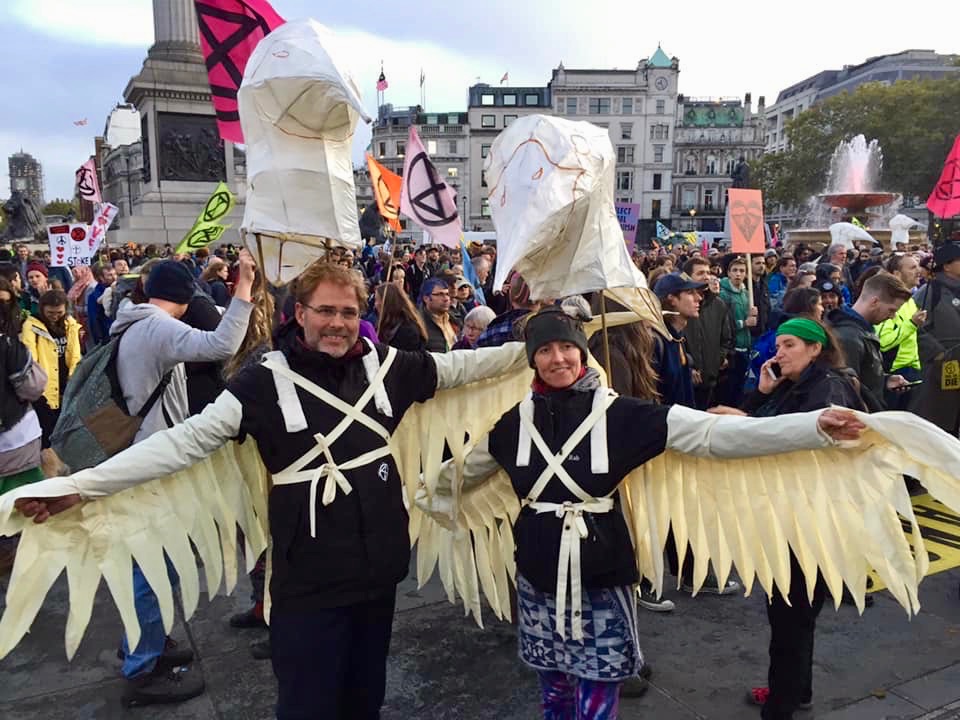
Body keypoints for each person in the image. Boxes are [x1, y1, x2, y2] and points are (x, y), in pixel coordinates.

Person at [14, 260, 528, 718]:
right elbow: (182, 443)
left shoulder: (388, 367)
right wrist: (82, 487)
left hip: (379, 572)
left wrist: (544, 346)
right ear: (299, 313)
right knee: (307, 701)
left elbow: (467, 368)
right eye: (325, 310)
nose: (338, 323)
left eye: (348, 312)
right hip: (308, 579)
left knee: (365, 696)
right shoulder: (263, 380)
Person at [441, 306, 866, 720]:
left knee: (596, 700)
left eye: (566, 348)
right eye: (545, 350)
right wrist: (408, 494)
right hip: (537, 577)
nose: (558, 359)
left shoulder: (621, 415)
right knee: (554, 693)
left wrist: (810, 427)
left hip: (602, 577)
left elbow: (712, 435)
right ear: (532, 359)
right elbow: (460, 474)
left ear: (582, 352)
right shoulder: (513, 424)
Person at [736, 317, 864, 719]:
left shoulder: (828, 388)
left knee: (790, 615)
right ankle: (795, 691)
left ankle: (781, 705)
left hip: (812, 519)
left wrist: (748, 422)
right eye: (778, 345)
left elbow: (800, 447)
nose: (779, 352)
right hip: (792, 512)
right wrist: (759, 394)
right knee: (794, 615)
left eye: (789, 344)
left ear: (815, 348)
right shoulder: (797, 384)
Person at [828, 272, 912, 412]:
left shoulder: (862, 332)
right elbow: (846, 391)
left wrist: (885, 381)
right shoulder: (848, 338)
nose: (892, 316)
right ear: (874, 302)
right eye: (891, 310)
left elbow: (862, 378)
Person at [20, 289, 81, 447]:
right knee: (48, 429)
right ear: (42, 309)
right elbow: (30, 358)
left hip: (67, 383)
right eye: (50, 312)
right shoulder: (31, 326)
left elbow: (75, 354)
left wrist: (74, 379)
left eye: (59, 312)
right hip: (45, 386)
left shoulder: (70, 324)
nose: (55, 316)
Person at [911, 242, 960, 437]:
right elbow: (913, 327)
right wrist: (937, 352)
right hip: (943, 365)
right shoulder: (929, 292)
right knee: (942, 417)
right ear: (946, 265)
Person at [683, 258, 734, 410]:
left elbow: (726, 339)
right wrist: (688, 367)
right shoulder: (682, 305)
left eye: (707, 272)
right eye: (700, 273)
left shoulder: (718, 304)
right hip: (687, 381)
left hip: (710, 380)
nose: (706, 276)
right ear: (687, 277)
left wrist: (716, 361)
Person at [876, 254, 925, 408]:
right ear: (897, 274)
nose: (918, 271)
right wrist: (912, 323)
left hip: (913, 371)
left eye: (918, 266)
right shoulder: (889, 300)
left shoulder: (909, 300)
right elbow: (882, 342)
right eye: (912, 267)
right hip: (896, 374)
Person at [719, 257, 758, 406]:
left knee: (741, 384)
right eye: (734, 270)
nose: (738, 274)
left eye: (742, 271)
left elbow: (750, 319)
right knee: (730, 386)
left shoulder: (746, 293)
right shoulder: (723, 294)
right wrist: (744, 323)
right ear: (728, 273)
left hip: (745, 344)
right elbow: (723, 323)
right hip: (732, 348)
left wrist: (753, 314)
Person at [376, 282, 428, 352]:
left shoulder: (408, 330)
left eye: (377, 300)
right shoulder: (385, 324)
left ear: (386, 302)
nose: (375, 304)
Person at [419, 277, 458, 353]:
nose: (446, 298)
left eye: (447, 294)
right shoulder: (419, 325)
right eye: (440, 294)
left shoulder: (455, 319)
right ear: (426, 298)